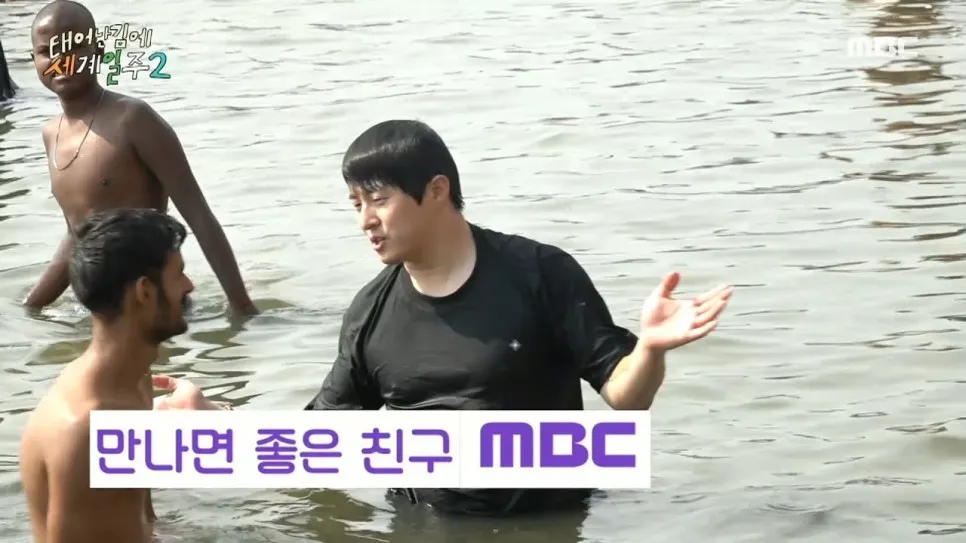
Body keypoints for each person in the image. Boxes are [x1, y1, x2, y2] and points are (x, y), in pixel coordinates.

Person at [162, 119, 733, 516]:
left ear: (437, 190)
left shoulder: (540, 274)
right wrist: (217, 420)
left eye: (378, 199)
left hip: (546, 523)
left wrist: (650, 349)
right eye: (356, 205)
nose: (365, 220)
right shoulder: (370, 312)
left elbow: (627, 400)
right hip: (421, 524)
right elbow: (319, 443)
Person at [24, 0, 258, 316]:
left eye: (73, 46)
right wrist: (31, 308)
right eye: (47, 50)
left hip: (157, 311)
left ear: (98, 51)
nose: (61, 59)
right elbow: (78, 234)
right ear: (34, 60)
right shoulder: (51, 134)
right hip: (103, 314)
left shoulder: (133, 119)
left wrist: (241, 306)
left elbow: (198, 215)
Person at [19, 208, 226, 543]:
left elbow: (146, 521)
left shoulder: (132, 381)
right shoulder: (87, 432)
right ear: (144, 292)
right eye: (179, 274)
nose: (190, 286)